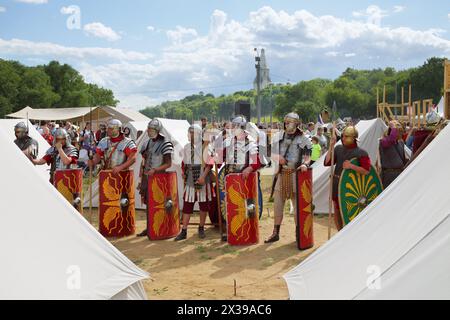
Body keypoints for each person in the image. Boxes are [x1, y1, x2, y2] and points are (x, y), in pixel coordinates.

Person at [213, 115, 262, 242]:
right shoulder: (228, 141)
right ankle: (230, 230)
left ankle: (245, 230)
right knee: (230, 206)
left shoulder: (249, 141)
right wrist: (215, 156)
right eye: (233, 126)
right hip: (230, 179)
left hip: (244, 180)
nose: (233, 128)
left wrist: (250, 168)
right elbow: (219, 160)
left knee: (245, 207)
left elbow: (257, 162)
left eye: (235, 126)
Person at [265, 112, 312, 243]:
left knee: (297, 207)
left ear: (296, 124)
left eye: (289, 122)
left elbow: (308, 156)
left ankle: (299, 233)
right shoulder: (278, 136)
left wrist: (304, 164)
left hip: (296, 175)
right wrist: (276, 157)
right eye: (285, 122)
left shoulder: (304, 138)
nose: (287, 125)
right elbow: (270, 152)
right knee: (278, 205)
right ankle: (276, 232)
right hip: (282, 174)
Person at [324, 126, 371, 231]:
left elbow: (366, 171)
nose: (343, 139)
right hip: (337, 184)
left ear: (353, 138)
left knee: (349, 211)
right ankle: (339, 233)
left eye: (346, 136)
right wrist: (331, 146)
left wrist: (351, 166)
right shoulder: (338, 148)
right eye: (342, 136)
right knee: (337, 210)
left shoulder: (361, 153)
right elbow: (327, 162)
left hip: (350, 188)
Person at [136, 119, 174, 237]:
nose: (148, 131)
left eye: (151, 129)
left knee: (160, 203)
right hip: (148, 177)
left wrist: (156, 170)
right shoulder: (146, 143)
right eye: (148, 129)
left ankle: (161, 226)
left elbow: (168, 164)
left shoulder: (165, 143)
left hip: (159, 179)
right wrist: (141, 177)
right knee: (148, 203)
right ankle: (149, 227)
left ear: (157, 130)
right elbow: (144, 162)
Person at [175, 124, 213, 241]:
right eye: (189, 132)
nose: (190, 135)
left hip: (202, 176)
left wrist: (203, 176)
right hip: (191, 177)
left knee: (203, 205)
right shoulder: (186, 147)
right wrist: (183, 171)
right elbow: (184, 163)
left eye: (192, 133)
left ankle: (201, 227)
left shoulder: (206, 146)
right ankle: (184, 230)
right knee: (187, 204)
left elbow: (209, 163)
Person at [379, 120, 407, 188]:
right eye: (398, 132)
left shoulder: (401, 143)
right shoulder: (384, 142)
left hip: (399, 174)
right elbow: (391, 140)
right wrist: (393, 128)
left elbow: (403, 159)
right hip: (389, 175)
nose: (401, 134)